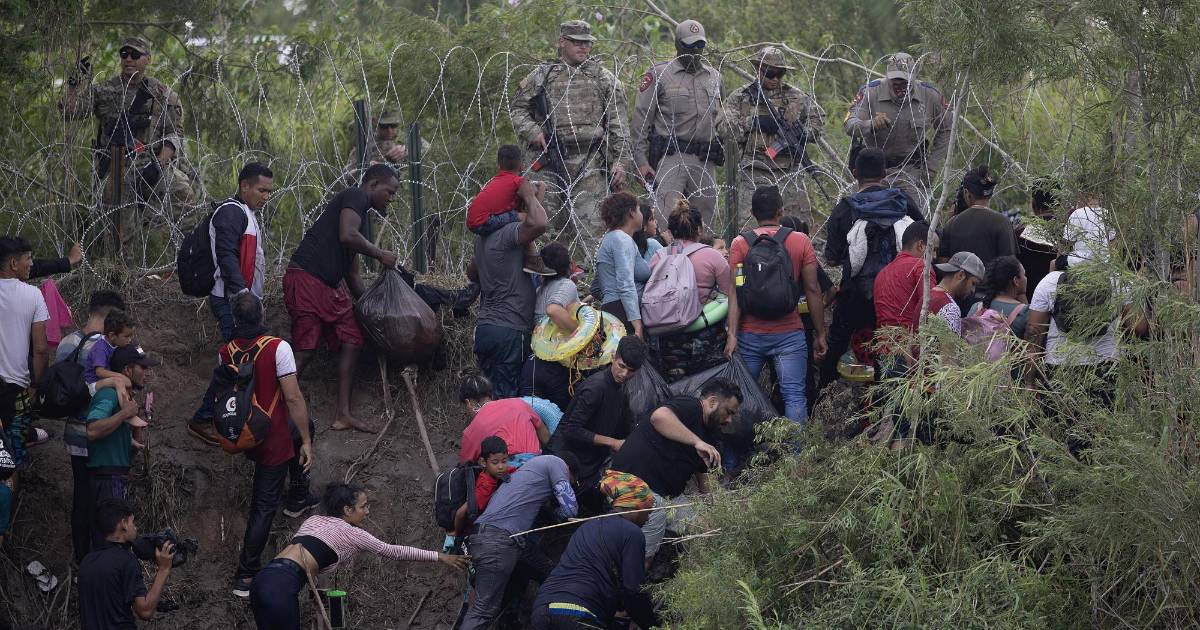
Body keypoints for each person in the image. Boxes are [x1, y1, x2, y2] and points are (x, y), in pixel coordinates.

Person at [249, 484, 467, 630]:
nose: (367, 511)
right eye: (363, 506)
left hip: (263, 579)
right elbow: (393, 551)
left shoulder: (313, 521)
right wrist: (439, 556)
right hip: (281, 587)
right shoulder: (352, 534)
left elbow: (307, 556)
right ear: (347, 509)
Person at [284, 163, 402, 432]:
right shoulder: (355, 195)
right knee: (305, 350)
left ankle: (343, 414)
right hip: (306, 279)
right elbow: (347, 236)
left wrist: (371, 306)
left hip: (328, 287)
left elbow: (352, 275)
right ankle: (267, 409)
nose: (391, 199)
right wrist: (380, 254)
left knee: (352, 338)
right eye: (389, 192)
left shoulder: (359, 218)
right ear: (373, 184)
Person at [59, 36, 193, 256]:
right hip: (116, 164)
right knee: (119, 223)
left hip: (151, 162)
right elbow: (70, 112)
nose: (129, 59)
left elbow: (174, 133)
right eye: (124, 54)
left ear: (148, 59)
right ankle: (120, 266)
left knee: (182, 190)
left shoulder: (162, 93)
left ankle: (183, 255)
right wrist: (74, 84)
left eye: (135, 55)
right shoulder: (105, 91)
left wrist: (158, 164)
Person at [509, 20, 630, 242]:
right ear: (562, 42)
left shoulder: (603, 78)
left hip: (590, 161)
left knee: (593, 231)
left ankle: (590, 265)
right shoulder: (543, 75)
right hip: (548, 160)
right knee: (544, 229)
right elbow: (517, 109)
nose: (583, 47)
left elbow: (619, 125)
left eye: (587, 43)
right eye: (576, 42)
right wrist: (533, 131)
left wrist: (620, 161)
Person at [228, 293, 316, 598]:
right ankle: (245, 574)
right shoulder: (278, 348)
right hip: (272, 437)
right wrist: (307, 443)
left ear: (235, 319)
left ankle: (298, 497)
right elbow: (292, 397)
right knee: (263, 506)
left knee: (305, 427)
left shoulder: (227, 350)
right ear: (262, 314)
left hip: (244, 431)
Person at [820, 147, 923, 388]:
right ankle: (891, 398)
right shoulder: (902, 201)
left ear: (855, 173)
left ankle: (823, 393)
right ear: (885, 173)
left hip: (855, 294)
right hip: (897, 294)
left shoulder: (845, 208)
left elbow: (831, 258)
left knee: (837, 342)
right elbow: (923, 236)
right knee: (894, 347)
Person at [725, 186, 828, 424]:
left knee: (740, 397)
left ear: (752, 213)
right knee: (794, 397)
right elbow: (813, 290)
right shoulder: (800, 241)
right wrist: (820, 334)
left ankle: (741, 447)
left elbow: (735, 291)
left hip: (750, 335)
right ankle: (796, 448)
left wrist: (732, 335)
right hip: (789, 334)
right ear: (781, 211)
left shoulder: (740, 244)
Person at [189, 162, 275, 445]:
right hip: (231, 302)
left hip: (241, 302)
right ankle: (204, 418)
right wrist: (242, 294)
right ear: (244, 186)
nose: (266, 196)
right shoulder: (231, 211)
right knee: (234, 362)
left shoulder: (246, 214)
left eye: (269, 192)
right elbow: (226, 254)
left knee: (241, 360)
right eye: (261, 190)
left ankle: (239, 414)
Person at [610, 379, 741, 563]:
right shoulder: (690, 407)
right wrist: (696, 442)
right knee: (654, 521)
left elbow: (704, 480)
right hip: (631, 483)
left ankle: (692, 572)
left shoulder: (710, 435)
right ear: (712, 402)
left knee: (706, 528)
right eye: (728, 412)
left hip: (668, 497)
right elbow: (659, 416)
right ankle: (634, 575)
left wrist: (723, 509)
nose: (729, 420)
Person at [458, 453, 581, 630]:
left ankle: (511, 621)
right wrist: (557, 515)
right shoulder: (557, 463)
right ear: (570, 471)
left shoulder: (528, 469)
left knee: (541, 573)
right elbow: (570, 509)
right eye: (572, 483)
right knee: (482, 611)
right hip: (499, 540)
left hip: (490, 537)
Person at [53, 290, 129, 565]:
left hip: (74, 433)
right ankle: (102, 562)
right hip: (102, 437)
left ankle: (81, 561)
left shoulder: (67, 343)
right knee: (105, 503)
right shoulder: (107, 347)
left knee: (81, 498)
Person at [531, 471, 660, 630]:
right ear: (636, 507)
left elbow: (595, 573)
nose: (648, 518)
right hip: (577, 611)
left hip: (543, 608)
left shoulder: (587, 526)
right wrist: (653, 626)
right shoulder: (632, 533)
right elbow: (633, 591)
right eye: (648, 511)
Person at [632, 19, 725, 225]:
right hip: (672, 155)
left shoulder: (714, 78)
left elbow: (722, 119)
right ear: (678, 44)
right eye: (689, 46)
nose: (695, 51)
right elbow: (641, 120)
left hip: (704, 157)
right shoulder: (660, 74)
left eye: (700, 45)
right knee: (664, 217)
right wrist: (641, 162)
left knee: (706, 221)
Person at [470, 161, 550, 399]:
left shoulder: (482, 239)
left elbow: (471, 273)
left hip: (486, 329)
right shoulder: (511, 233)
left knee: (487, 398)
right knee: (507, 400)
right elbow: (539, 223)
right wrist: (530, 196)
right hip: (510, 330)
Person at [723, 46, 826, 230]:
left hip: (789, 172)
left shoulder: (796, 96)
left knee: (799, 228)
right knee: (751, 229)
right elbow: (724, 128)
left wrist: (804, 133)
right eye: (770, 73)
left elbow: (818, 119)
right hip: (755, 171)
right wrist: (754, 122)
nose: (775, 79)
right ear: (759, 70)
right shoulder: (741, 97)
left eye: (780, 74)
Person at [550, 336, 647, 512]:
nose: (624, 374)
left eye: (631, 371)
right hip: (566, 463)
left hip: (589, 464)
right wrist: (612, 442)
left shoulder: (621, 390)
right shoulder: (596, 388)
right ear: (613, 357)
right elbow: (572, 430)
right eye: (621, 366)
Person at [843, 52, 950, 207]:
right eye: (895, 80)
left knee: (915, 218)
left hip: (911, 171)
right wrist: (870, 124)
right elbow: (849, 125)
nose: (899, 84)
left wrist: (931, 167)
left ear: (914, 77)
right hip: (873, 173)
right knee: (864, 215)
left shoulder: (930, 95)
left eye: (904, 80)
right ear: (887, 76)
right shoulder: (870, 92)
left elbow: (947, 129)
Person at [651, 199, 734, 378]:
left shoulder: (659, 257)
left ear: (671, 231)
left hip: (670, 336)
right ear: (699, 230)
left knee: (676, 387)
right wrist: (733, 335)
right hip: (706, 333)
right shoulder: (712, 256)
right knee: (711, 386)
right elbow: (731, 297)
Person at [84, 344, 157, 528]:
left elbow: (131, 452)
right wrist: (125, 414)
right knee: (110, 538)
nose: (147, 373)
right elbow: (92, 430)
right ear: (127, 370)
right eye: (143, 367)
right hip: (105, 480)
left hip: (118, 478)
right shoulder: (108, 395)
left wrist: (139, 421)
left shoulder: (125, 400)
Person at [78, 498, 174, 629]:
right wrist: (164, 569)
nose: (135, 527)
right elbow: (145, 611)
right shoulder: (126, 560)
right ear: (123, 524)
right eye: (132, 522)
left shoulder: (86, 562)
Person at [0, 237, 51, 462]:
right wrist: (35, 385)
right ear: (13, 263)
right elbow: (40, 349)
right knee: (13, 454)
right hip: (15, 388)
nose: (31, 263)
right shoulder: (33, 295)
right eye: (28, 258)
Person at [468, 145, 554, 275]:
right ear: (521, 166)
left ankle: (532, 259)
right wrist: (541, 188)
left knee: (519, 216)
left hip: (474, 222)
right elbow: (535, 214)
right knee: (526, 218)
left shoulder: (496, 181)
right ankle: (533, 261)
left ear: (499, 165)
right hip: (484, 221)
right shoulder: (518, 182)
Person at [872, 222, 934, 377]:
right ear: (921, 245)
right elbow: (931, 312)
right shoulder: (921, 267)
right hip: (908, 356)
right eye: (933, 249)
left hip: (883, 353)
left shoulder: (882, 273)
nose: (934, 256)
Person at [522, 243, 580, 410]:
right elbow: (553, 309)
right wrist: (578, 331)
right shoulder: (566, 285)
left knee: (532, 417)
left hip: (532, 365)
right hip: (555, 365)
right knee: (559, 419)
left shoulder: (539, 290)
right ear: (568, 264)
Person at [459, 371, 550, 464]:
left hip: (507, 470)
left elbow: (465, 465)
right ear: (491, 395)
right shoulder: (519, 403)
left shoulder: (472, 430)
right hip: (539, 464)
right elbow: (545, 435)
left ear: (468, 403)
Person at [937, 166, 1015, 266]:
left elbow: (943, 263)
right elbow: (1010, 264)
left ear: (967, 193)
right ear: (990, 194)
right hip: (991, 277)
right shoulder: (1003, 223)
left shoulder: (951, 224)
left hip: (959, 276)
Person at [595, 192, 646, 336]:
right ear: (631, 213)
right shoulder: (621, 239)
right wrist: (637, 324)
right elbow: (625, 283)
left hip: (615, 309)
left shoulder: (613, 238)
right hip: (622, 311)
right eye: (639, 209)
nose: (641, 214)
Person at [966, 256, 1030, 339]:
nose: (1026, 278)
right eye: (1024, 275)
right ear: (1016, 281)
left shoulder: (977, 307)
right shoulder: (1025, 312)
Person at [1016, 182, 1060, 301]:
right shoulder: (1071, 232)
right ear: (1060, 204)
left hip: (1028, 301)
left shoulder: (1019, 233)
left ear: (1033, 204)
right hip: (1063, 303)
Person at [341, 109, 409, 187]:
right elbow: (346, 177)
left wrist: (407, 151)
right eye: (384, 126)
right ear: (376, 124)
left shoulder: (405, 142)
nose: (389, 130)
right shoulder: (364, 147)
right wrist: (368, 168)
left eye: (393, 126)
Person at [929, 252, 985, 335]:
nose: (973, 290)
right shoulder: (950, 307)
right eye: (973, 283)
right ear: (960, 275)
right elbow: (949, 343)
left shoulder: (928, 295)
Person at [84, 309, 137, 389]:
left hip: (107, 380)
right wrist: (120, 376)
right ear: (112, 336)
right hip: (94, 384)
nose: (129, 340)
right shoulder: (100, 348)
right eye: (126, 336)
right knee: (120, 382)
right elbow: (99, 372)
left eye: (131, 336)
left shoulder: (117, 344)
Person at [1064, 193, 1114, 267]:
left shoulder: (1077, 213)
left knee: (1054, 263)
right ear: (1101, 198)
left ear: (1088, 197)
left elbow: (1069, 240)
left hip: (1079, 260)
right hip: (1103, 260)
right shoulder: (1107, 213)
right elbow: (1111, 238)